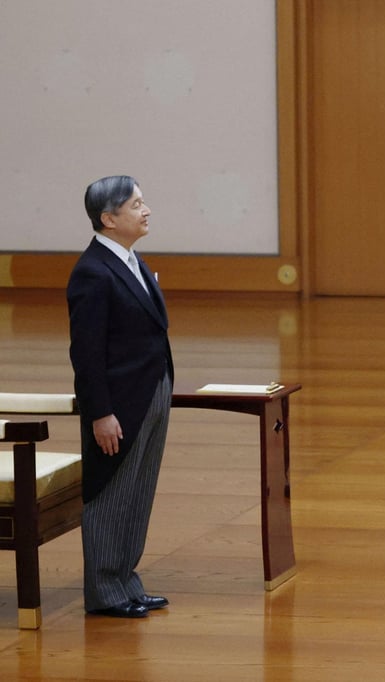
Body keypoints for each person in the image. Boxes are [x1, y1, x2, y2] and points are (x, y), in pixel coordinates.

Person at [67, 176, 174, 618]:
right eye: (135, 205)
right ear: (108, 219)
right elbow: (86, 353)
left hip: (150, 390)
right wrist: (101, 413)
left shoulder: (130, 260)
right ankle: (105, 592)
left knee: (138, 491)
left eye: (143, 202)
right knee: (111, 494)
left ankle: (127, 582)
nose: (146, 210)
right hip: (119, 403)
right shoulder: (92, 272)